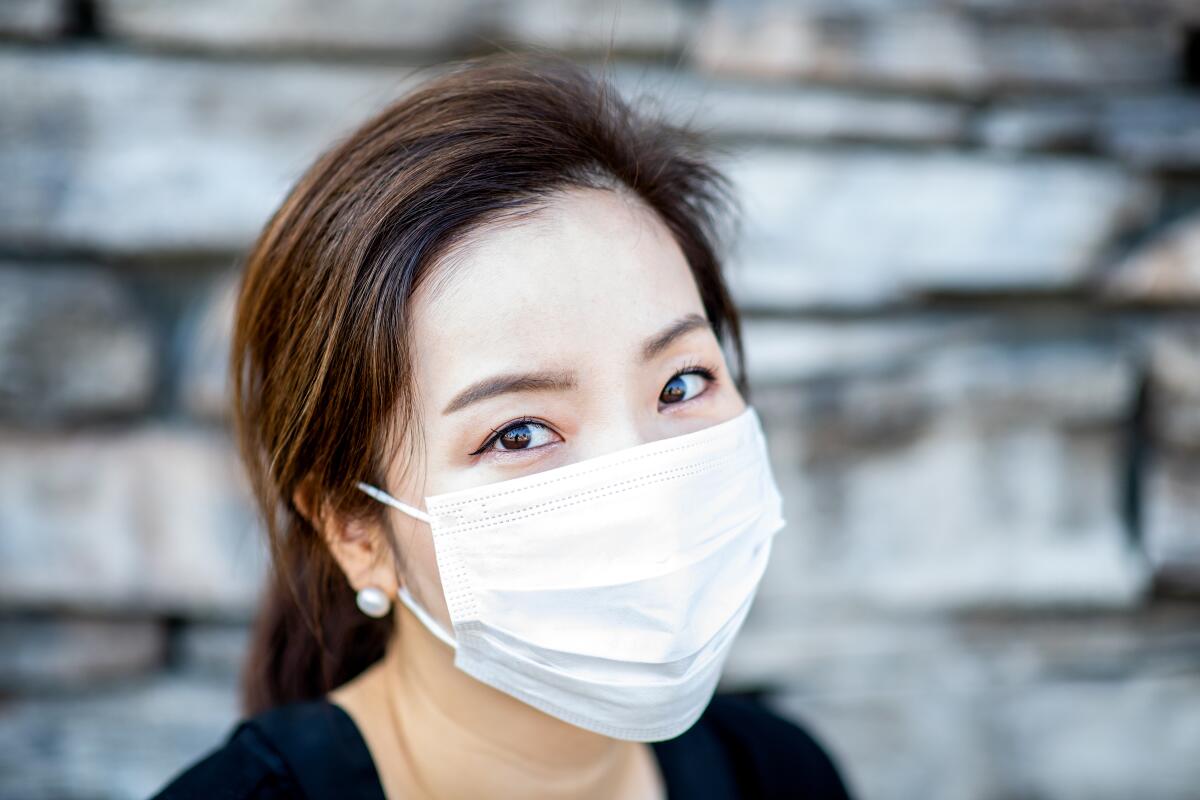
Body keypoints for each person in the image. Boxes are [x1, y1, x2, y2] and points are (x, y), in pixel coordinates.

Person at [150, 52, 852, 800]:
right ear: (356, 531)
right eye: (518, 433)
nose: (642, 485)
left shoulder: (780, 774)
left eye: (682, 384)